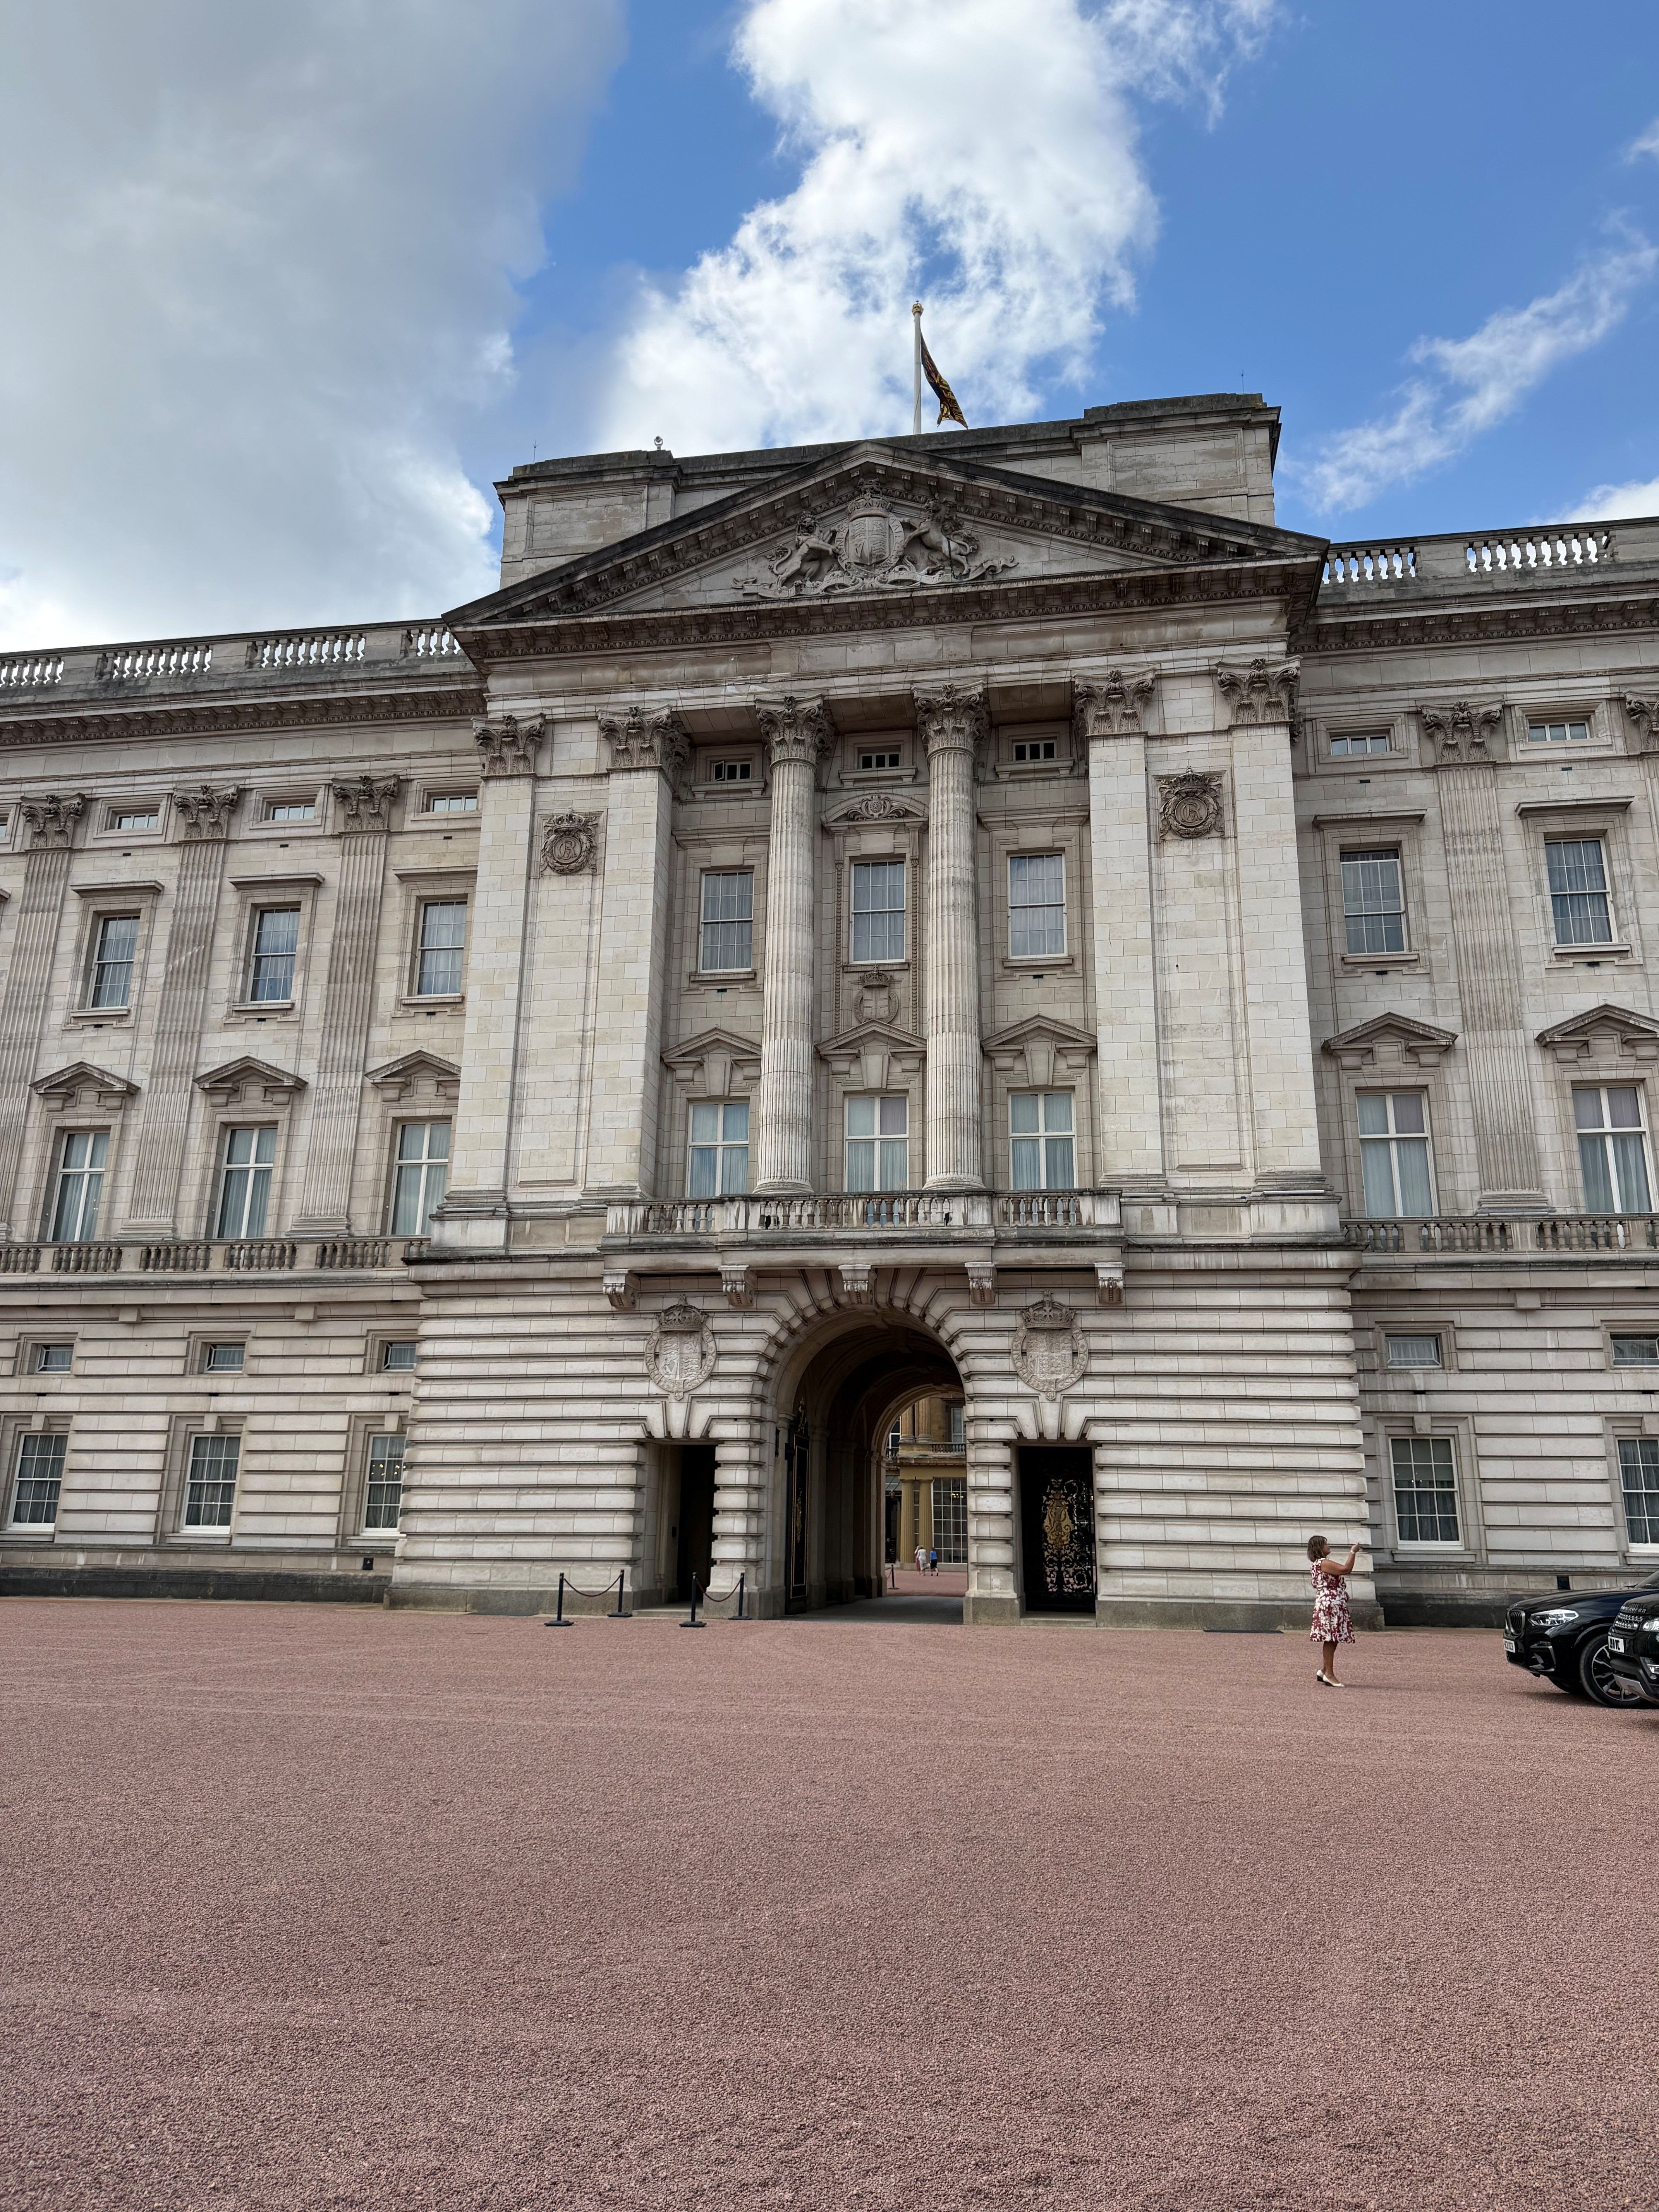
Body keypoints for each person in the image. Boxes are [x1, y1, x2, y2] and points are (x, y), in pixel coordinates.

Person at [1307, 1534, 1360, 1686]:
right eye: (1325, 1544)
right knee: (1331, 1638)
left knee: (1334, 1637)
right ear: (1319, 1548)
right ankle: (1329, 1674)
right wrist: (1353, 1552)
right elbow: (1346, 1569)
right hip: (1330, 1604)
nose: (1328, 1546)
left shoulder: (1320, 1564)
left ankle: (1324, 1670)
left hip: (1332, 1602)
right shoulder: (1322, 1563)